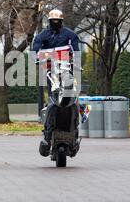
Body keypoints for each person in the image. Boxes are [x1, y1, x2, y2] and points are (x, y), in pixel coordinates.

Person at [32, 9, 91, 154]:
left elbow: (76, 49)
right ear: (49, 21)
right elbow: (35, 49)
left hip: (68, 69)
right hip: (50, 70)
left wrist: (76, 61)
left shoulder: (70, 35)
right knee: (52, 92)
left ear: (62, 21)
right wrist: (36, 58)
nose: (55, 23)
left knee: (74, 91)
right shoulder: (42, 35)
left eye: (58, 21)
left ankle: (80, 114)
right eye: (53, 21)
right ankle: (48, 126)